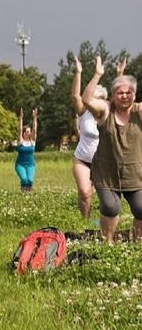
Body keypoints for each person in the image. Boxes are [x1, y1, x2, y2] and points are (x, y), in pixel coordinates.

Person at [82, 55, 142, 242]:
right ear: (113, 94)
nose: (124, 96)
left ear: (134, 94)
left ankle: (137, 244)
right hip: (107, 172)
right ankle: (107, 243)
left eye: (128, 92)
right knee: (110, 207)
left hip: (135, 172)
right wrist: (97, 75)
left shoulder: (139, 111)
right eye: (119, 92)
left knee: (141, 208)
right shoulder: (105, 110)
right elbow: (86, 100)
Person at [71, 55, 111, 219]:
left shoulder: (109, 114)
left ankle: (103, 221)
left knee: (107, 198)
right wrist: (78, 72)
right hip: (83, 159)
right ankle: (85, 220)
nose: (98, 103)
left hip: (104, 161)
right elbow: (75, 96)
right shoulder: (84, 112)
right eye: (96, 98)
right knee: (85, 193)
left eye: (101, 99)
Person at [15, 108, 38, 192]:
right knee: (24, 180)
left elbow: (35, 129)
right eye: (26, 131)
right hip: (20, 165)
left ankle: (29, 195)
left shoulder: (32, 141)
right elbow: (20, 129)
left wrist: (34, 117)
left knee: (30, 181)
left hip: (30, 165)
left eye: (29, 131)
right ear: (23, 133)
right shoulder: (20, 141)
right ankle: (23, 193)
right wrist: (21, 118)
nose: (28, 133)